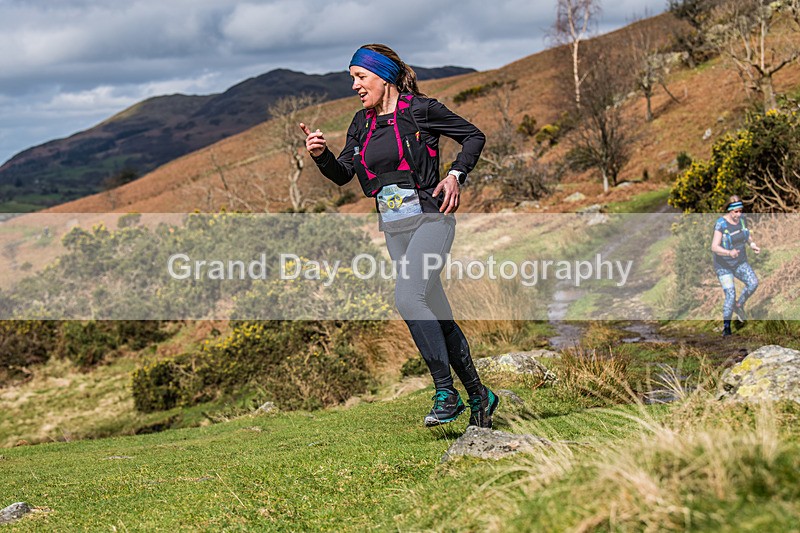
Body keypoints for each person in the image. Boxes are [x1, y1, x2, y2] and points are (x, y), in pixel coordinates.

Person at [299, 44, 499, 428]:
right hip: (395, 229)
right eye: (352, 79)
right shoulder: (361, 123)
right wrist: (321, 155)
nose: (355, 86)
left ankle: (445, 392)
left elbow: (473, 136)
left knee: (408, 298)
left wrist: (456, 175)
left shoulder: (421, 110)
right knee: (437, 314)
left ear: (383, 75)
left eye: (360, 77)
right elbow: (343, 174)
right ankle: (480, 396)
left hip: (431, 220)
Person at [710, 195, 760, 336]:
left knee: (753, 283)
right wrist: (728, 252)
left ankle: (739, 306)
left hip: (739, 262)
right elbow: (714, 247)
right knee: (730, 295)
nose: (739, 214)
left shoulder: (742, 220)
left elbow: (746, 235)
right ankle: (726, 328)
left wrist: (753, 245)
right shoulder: (721, 224)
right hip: (723, 266)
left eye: (741, 211)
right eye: (736, 212)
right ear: (730, 211)